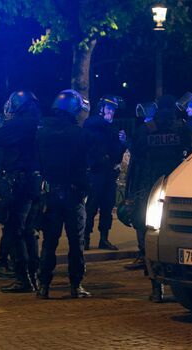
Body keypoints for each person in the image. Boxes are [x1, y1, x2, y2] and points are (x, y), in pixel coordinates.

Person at [124, 95, 192, 302]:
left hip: (150, 188)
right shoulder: (182, 129)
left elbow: (135, 157)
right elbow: (191, 155)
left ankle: (156, 289)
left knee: (149, 238)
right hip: (177, 188)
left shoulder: (146, 130)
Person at [35, 89, 92, 299]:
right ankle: (75, 285)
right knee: (76, 244)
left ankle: (43, 285)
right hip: (73, 195)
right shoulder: (79, 133)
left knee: (49, 242)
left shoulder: (42, 132)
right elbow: (89, 163)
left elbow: (39, 161)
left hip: (51, 194)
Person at [0, 90, 42, 293]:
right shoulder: (38, 123)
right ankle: (35, 276)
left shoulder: (20, 124)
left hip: (21, 183)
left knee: (15, 229)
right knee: (29, 231)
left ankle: (23, 279)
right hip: (37, 183)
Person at [82, 95, 127, 250]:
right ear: (101, 109)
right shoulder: (92, 127)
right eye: (109, 108)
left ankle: (103, 239)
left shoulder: (111, 129)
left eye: (113, 109)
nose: (112, 112)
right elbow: (89, 150)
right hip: (95, 174)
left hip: (108, 174)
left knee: (107, 207)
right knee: (91, 206)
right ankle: (85, 238)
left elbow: (117, 156)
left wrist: (122, 144)